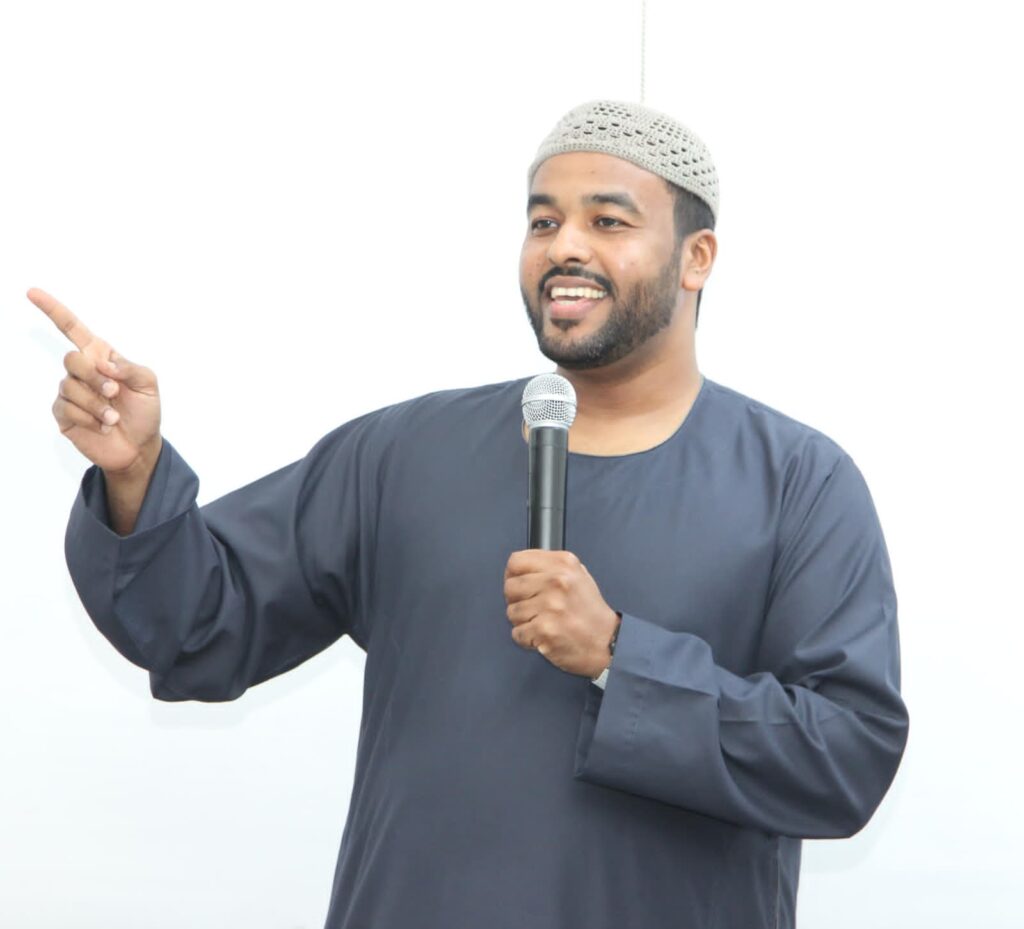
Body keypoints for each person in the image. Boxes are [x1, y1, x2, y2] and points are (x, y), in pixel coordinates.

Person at [35, 100, 908, 929]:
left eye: (608, 221)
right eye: (543, 221)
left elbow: (845, 756)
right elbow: (197, 622)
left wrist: (620, 657)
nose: (565, 247)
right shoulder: (403, 454)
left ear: (697, 256)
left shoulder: (797, 484)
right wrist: (137, 475)